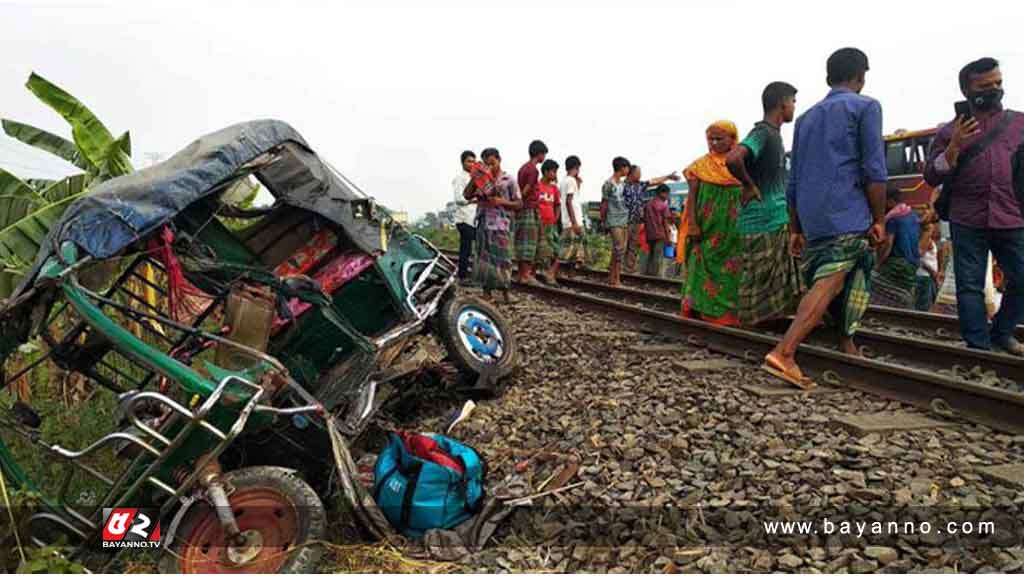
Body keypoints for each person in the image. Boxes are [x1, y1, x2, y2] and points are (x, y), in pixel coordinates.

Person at [765, 47, 887, 389]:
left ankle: (845, 342)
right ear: (861, 75)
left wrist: (796, 226)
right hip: (847, 208)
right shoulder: (866, 107)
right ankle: (785, 351)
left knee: (844, 274)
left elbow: (794, 175)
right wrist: (879, 218)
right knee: (831, 279)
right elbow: (874, 169)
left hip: (811, 211)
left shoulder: (805, 118)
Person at [923, 57, 1024, 355]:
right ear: (968, 90)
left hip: (1012, 215)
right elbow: (931, 175)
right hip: (967, 217)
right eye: (985, 86)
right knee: (969, 286)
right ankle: (979, 347)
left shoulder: (1019, 123)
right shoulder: (948, 131)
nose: (994, 90)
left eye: (998, 83)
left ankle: (1002, 332)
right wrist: (954, 146)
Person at [726, 82, 804, 327]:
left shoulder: (773, 134)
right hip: (763, 219)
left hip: (767, 218)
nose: (794, 107)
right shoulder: (764, 133)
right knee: (758, 276)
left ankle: (762, 322)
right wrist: (748, 185)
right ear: (782, 104)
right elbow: (734, 158)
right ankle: (750, 325)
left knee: (761, 276)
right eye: (793, 102)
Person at [679, 120, 744, 325]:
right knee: (701, 263)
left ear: (733, 140)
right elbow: (692, 198)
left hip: (733, 229)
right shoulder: (700, 166)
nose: (714, 143)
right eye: (711, 139)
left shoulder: (741, 165)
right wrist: (692, 224)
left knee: (731, 268)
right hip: (706, 228)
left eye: (719, 139)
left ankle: (727, 315)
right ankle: (699, 310)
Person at [464, 148, 522, 302]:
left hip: (503, 223)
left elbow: (519, 203)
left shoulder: (509, 179)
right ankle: (487, 292)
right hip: (484, 222)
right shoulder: (481, 178)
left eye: (492, 163)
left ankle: (506, 292)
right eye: (487, 163)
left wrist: (502, 201)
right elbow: (467, 195)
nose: (490, 166)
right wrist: (475, 178)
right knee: (484, 258)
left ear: (499, 160)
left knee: (504, 258)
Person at [622, 165, 681, 272]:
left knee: (632, 247)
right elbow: (665, 222)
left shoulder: (640, 186)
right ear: (632, 173)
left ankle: (628, 269)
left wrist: (668, 177)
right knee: (623, 245)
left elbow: (654, 181)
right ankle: (619, 269)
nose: (640, 175)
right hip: (624, 221)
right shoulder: (622, 186)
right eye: (638, 172)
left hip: (636, 222)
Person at [871, 188, 921, 308]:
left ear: (891, 201)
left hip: (896, 263)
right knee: (903, 293)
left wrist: (878, 263)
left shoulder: (893, 218)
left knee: (871, 282)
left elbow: (888, 244)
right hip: (913, 263)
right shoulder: (913, 215)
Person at [515, 140, 548, 284]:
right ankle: (525, 275)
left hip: (523, 208)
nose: (544, 157)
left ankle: (523, 274)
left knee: (522, 241)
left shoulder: (523, 168)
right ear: (539, 154)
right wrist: (519, 201)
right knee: (529, 242)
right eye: (544, 154)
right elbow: (526, 189)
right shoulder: (533, 170)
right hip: (529, 208)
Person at [600, 156, 632, 286]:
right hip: (613, 219)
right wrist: (603, 221)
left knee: (618, 249)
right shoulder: (608, 184)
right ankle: (616, 279)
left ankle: (611, 277)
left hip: (624, 218)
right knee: (619, 249)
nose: (628, 170)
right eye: (627, 167)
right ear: (622, 168)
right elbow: (604, 204)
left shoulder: (624, 184)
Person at [452, 150, 478, 285]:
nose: (472, 164)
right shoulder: (459, 178)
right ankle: (462, 277)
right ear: (463, 163)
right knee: (466, 248)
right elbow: (458, 198)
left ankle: (470, 274)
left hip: (473, 218)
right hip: (463, 218)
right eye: (469, 161)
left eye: (474, 161)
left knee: (474, 247)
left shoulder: (475, 177)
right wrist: (473, 199)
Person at [535, 159, 562, 283]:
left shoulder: (554, 189)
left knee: (556, 250)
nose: (555, 175)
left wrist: (555, 219)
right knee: (538, 250)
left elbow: (557, 205)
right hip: (537, 224)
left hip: (551, 224)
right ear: (545, 172)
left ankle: (550, 273)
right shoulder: (536, 186)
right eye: (553, 172)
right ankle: (534, 273)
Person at [557, 155, 585, 273]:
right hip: (573, 221)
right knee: (567, 250)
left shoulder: (564, 181)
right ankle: (552, 271)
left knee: (573, 250)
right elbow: (569, 202)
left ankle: (569, 273)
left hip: (567, 220)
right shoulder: (571, 181)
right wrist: (574, 223)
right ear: (576, 167)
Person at [643, 184, 674, 277]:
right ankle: (655, 277)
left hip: (650, 234)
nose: (668, 196)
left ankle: (648, 275)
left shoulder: (648, 204)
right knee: (658, 257)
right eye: (667, 194)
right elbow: (665, 223)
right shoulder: (663, 206)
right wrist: (668, 238)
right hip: (660, 234)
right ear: (662, 193)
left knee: (651, 256)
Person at [916, 219, 942, 311]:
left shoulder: (929, 240)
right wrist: (932, 272)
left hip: (928, 276)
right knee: (924, 306)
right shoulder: (926, 240)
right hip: (925, 276)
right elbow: (920, 258)